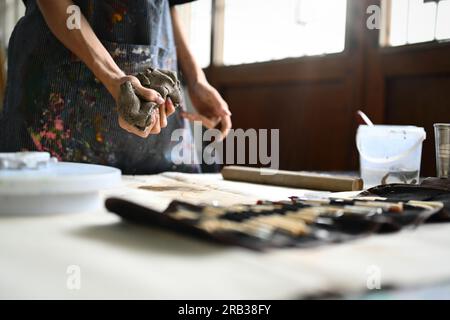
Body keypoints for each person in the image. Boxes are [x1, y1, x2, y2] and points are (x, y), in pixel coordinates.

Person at [0, 0, 231, 174]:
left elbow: (169, 6)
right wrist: (114, 78)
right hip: (58, 87)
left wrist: (196, 79)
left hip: (153, 98)